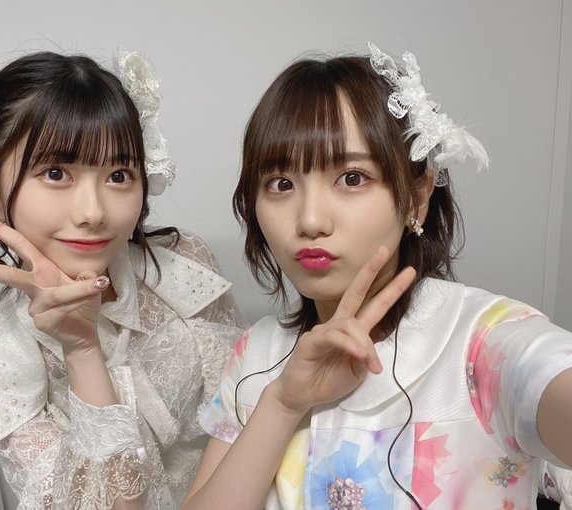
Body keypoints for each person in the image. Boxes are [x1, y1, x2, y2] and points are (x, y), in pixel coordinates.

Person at [182, 43, 572, 509]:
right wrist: (283, 404)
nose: (310, 220)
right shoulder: (257, 352)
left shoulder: (484, 340)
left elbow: (547, 373)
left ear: (416, 198)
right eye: (281, 184)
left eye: (352, 178)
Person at [0, 49, 245, 510]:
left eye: (119, 174)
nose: (93, 213)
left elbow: (242, 411)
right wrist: (82, 350)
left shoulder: (183, 264)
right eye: (56, 173)